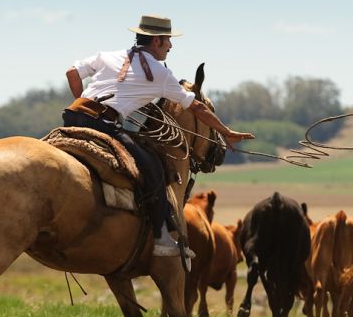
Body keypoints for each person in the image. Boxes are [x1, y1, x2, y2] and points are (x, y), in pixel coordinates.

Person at [63, 13, 253, 258]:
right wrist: (225, 132)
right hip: (105, 125)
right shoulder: (160, 73)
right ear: (157, 41)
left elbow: (71, 72)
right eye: (168, 41)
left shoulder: (107, 55)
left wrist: (81, 101)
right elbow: (196, 107)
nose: (171, 46)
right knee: (155, 171)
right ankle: (162, 238)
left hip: (72, 117)